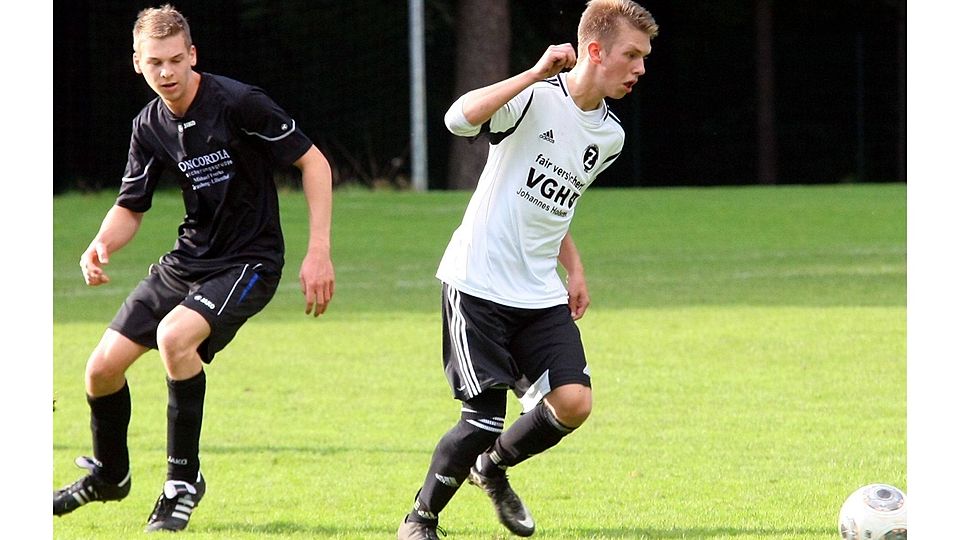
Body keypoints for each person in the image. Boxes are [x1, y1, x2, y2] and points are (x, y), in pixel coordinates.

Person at [52, 4, 335, 533]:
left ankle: (183, 481)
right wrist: (100, 243)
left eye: (176, 61)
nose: (167, 73)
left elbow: (313, 162)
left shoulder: (237, 102)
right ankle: (110, 475)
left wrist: (317, 250)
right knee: (100, 369)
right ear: (137, 63)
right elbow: (131, 206)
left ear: (193, 56)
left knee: (174, 338)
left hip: (250, 261)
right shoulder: (149, 124)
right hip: (188, 260)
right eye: (155, 62)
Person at [396, 1, 658, 538]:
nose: (640, 68)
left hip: (538, 292)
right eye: (631, 55)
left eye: (644, 57)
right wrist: (535, 72)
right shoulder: (533, 98)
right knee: (482, 419)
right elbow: (456, 118)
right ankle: (419, 519)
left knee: (573, 402)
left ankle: (491, 468)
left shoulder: (610, 137)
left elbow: (552, 206)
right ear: (594, 50)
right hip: (477, 282)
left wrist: (576, 268)